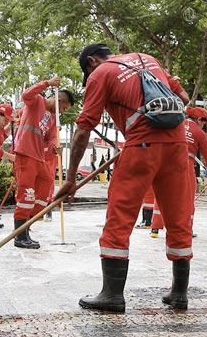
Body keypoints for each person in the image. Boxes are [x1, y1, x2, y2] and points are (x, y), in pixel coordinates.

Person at [56, 44, 192, 312]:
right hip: (177, 145)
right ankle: (179, 294)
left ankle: (112, 295)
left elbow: (83, 130)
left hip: (142, 146)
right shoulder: (148, 58)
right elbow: (183, 98)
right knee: (178, 217)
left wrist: (69, 180)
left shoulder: (101, 73)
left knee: (120, 216)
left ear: (92, 62)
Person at [12, 77, 74, 249]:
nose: (62, 111)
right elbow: (26, 94)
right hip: (25, 155)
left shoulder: (53, 117)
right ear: (59, 100)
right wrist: (47, 83)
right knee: (26, 195)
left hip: (40, 159)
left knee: (45, 191)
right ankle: (19, 236)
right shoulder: (36, 102)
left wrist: (55, 147)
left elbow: (51, 137)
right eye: (63, 107)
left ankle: (26, 228)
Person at [150, 106, 207, 238]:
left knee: (162, 194)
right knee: (187, 197)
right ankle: (187, 229)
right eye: (203, 122)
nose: (203, 125)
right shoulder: (199, 133)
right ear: (198, 119)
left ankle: (155, 228)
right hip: (186, 165)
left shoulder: (175, 124)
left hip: (167, 162)